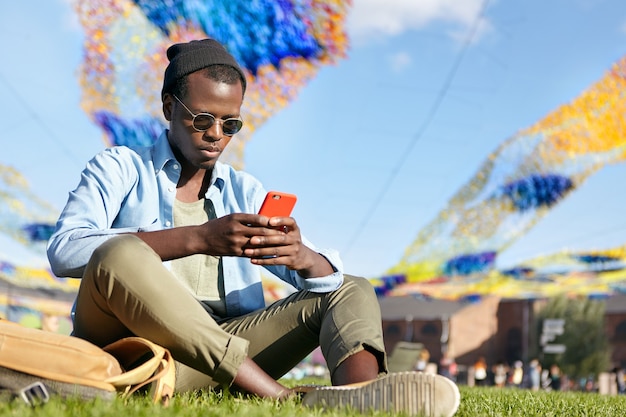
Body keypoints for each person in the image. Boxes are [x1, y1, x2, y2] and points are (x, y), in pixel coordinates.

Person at [46, 39, 459, 416]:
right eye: (203, 118)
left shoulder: (243, 189)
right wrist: (200, 238)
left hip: (224, 362)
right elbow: (65, 250)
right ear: (170, 108)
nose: (216, 135)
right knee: (120, 253)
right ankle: (281, 398)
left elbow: (325, 280)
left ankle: (364, 399)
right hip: (138, 358)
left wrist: (302, 257)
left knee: (352, 287)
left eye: (231, 124)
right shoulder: (120, 167)